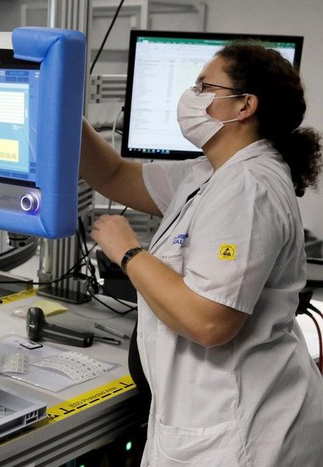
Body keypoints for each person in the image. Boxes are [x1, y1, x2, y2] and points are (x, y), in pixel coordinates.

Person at [81, 42, 323, 466]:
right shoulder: (209, 172)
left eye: (203, 87)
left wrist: (129, 252)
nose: (190, 97)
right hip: (208, 418)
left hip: (243, 433)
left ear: (244, 105)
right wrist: (63, 106)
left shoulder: (248, 187)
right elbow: (113, 173)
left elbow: (210, 322)